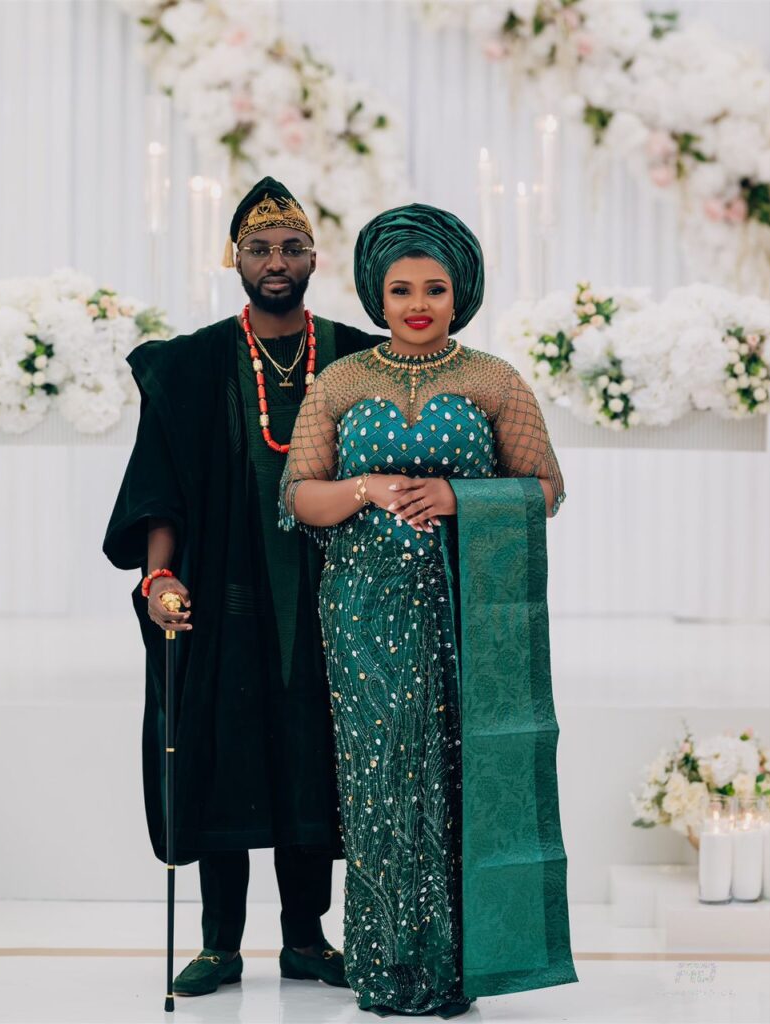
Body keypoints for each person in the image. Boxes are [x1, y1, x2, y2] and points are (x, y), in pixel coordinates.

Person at [280, 203, 578, 1017]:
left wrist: (456, 497)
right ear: (376, 294)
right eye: (400, 287)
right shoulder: (339, 382)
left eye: (435, 288)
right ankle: (385, 967)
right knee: (379, 778)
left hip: (467, 608)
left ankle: (461, 967)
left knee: (462, 767)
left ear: (460, 294)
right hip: (362, 610)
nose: (417, 302)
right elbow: (298, 495)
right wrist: (368, 489)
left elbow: (546, 488)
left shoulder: (492, 379)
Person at [103, 177, 382, 996]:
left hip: (332, 598)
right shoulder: (191, 365)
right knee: (220, 758)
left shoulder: (356, 356)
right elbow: (164, 486)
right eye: (259, 248)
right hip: (222, 592)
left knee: (314, 760)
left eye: (291, 247)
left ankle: (307, 940)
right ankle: (220, 945)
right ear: (234, 258)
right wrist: (159, 576)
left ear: (314, 260)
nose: (275, 262)